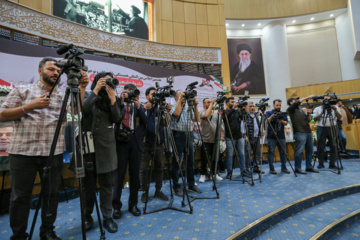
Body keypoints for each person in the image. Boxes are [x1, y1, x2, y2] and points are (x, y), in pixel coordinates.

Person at [0, 57, 88, 240]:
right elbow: (2, 115)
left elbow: (76, 111)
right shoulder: (23, 90)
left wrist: (82, 88)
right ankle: (18, 235)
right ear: (40, 71)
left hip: (53, 153)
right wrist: (29, 107)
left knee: (51, 195)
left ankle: (47, 231)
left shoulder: (63, 94)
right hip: (23, 153)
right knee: (20, 197)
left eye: (57, 70)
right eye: (50, 69)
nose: (55, 72)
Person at [81, 72, 120, 233]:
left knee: (106, 185)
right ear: (97, 81)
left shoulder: (110, 99)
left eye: (109, 81)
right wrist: (95, 90)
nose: (107, 85)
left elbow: (116, 118)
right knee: (87, 185)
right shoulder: (88, 95)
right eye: (105, 80)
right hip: (88, 147)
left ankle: (107, 217)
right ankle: (87, 215)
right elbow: (83, 111)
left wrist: (113, 101)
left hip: (106, 147)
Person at [112, 84, 147, 218]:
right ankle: (116, 206)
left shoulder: (138, 105)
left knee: (134, 175)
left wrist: (139, 107)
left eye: (133, 93)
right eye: (127, 92)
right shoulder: (118, 103)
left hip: (134, 141)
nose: (130, 95)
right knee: (119, 175)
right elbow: (115, 117)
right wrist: (121, 102)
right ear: (123, 92)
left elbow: (145, 122)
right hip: (120, 141)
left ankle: (133, 204)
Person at [139, 87, 170, 203]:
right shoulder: (141, 107)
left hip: (158, 143)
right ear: (147, 96)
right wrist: (145, 110)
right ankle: (145, 192)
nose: (155, 97)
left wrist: (166, 111)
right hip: (145, 143)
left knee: (159, 168)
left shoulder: (159, 109)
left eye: (156, 95)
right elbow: (139, 123)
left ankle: (158, 190)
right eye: (152, 95)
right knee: (144, 169)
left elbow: (166, 124)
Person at [170, 90, 202, 196]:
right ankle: (176, 186)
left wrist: (196, 106)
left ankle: (191, 184)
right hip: (178, 135)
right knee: (177, 162)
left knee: (190, 161)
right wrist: (180, 100)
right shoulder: (172, 106)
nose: (184, 97)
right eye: (181, 95)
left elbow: (196, 119)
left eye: (184, 95)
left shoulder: (189, 107)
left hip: (189, 135)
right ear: (176, 97)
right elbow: (176, 114)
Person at [287, 96, 319, 174]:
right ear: (291, 103)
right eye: (295, 100)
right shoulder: (290, 110)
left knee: (310, 150)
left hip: (308, 132)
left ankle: (309, 167)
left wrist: (308, 113)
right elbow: (297, 103)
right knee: (299, 151)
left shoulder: (301, 111)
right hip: (299, 132)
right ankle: (297, 168)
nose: (297, 101)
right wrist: (308, 97)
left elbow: (308, 120)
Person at [313, 96, 342, 169]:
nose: (327, 101)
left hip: (333, 127)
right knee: (321, 146)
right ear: (321, 101)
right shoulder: (318, 108)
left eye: (328, 100)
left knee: (334, 146)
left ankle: (332, 164)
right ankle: (321, 163)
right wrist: (322, 113)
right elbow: (315, 119)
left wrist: (335, 110)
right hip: (321, 127)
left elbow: (339, 117)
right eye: (325, 99)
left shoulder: (335, 107)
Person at [199, 98, 223, 183]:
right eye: (208, 102)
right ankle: (203, 174)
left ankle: (214, 173)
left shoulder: (216, 113)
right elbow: (206, 115)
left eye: (210, 102)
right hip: (205, 140)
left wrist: (221, 135)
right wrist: (212, 103)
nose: (209, 103)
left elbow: (220, 126)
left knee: (215, 158)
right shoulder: (202, 112)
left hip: (215, 140)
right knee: (204, 158)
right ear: (204, 105)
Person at [265, 99, 290, 174]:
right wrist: (272, 116)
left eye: (280, 105)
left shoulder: (283, 113)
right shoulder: (269, 112)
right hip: (271, 136)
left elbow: (286, 123)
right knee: (271, 152)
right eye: (277, 105)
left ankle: (284, 168)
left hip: (281, 136)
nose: (278, 106)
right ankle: (271, 168)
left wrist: (281, 120)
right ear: (273, 105)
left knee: (283, 152)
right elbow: (266, 121)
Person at [224, 97, 246, 179]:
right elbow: (226, 118)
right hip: (229, 136)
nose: (234, 103)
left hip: (239, 135)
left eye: (234, 102)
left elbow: (244, 118)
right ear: (227, 103)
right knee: (229, 155)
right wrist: (233, 108)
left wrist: (243, 110)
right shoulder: (225, 112)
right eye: (232, 102)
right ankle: (229, 172)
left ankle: (243, 170)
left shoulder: (237, 111)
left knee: (242, 154)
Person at [244, 102, 264, 174]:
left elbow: (258, 124)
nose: (252, 107)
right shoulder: (245, 116)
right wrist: (245, 135)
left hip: (256, 136)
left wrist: (261, 133)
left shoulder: (256, 115)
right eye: (250, 106)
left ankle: (256, 167)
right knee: (248, 154)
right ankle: (247, 169)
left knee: (257, 153)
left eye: (253, 106)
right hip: (249, 137)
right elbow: (243, 126)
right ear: (247, 108)